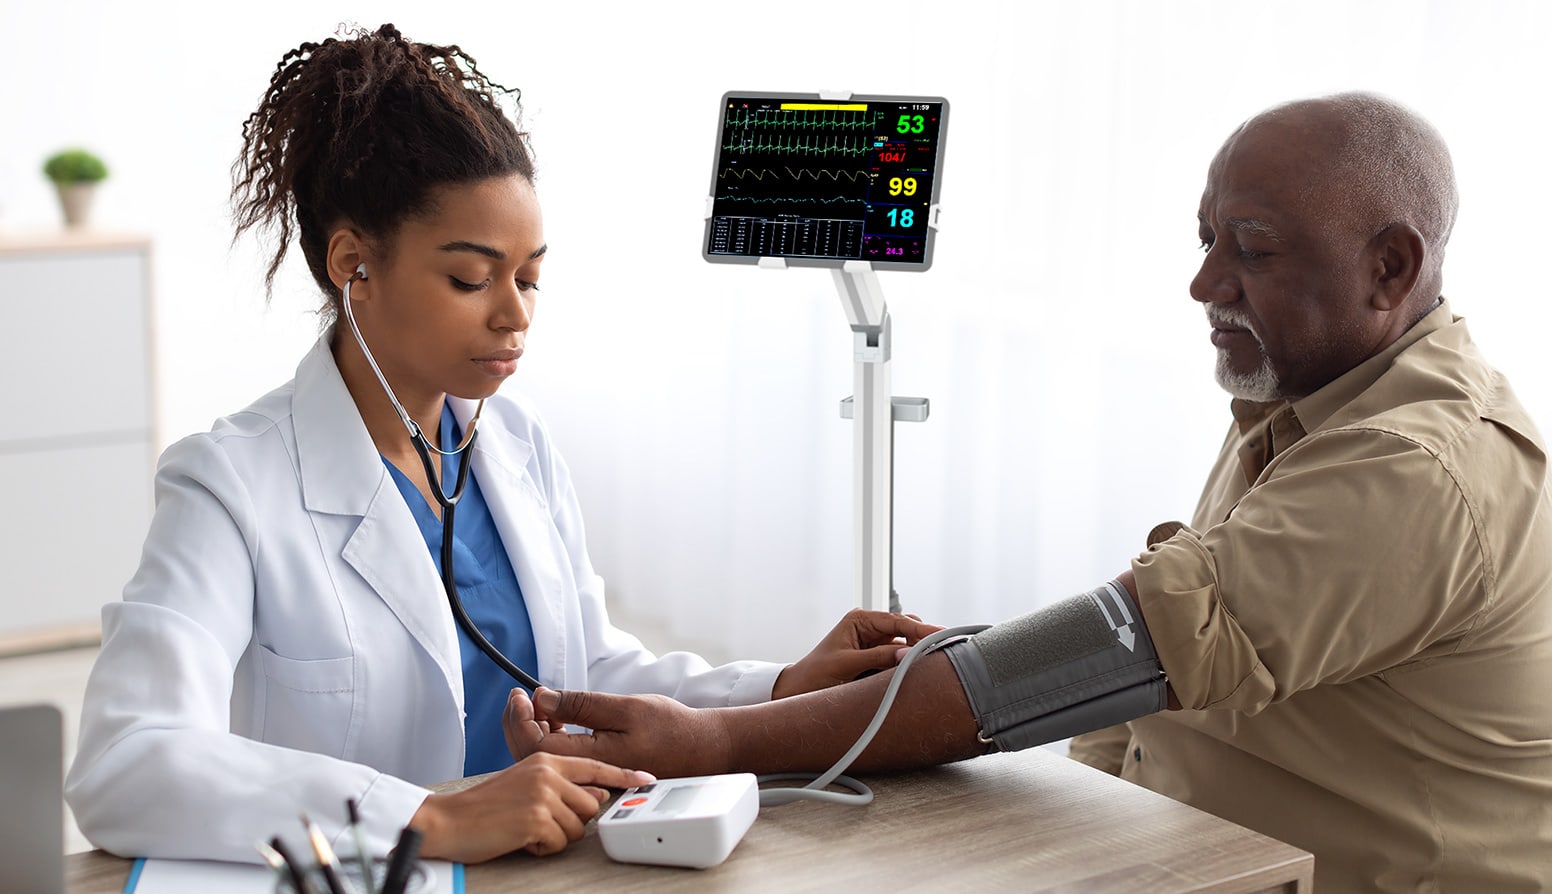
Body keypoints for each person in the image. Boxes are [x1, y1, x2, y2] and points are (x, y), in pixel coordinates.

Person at [503, 92, 1552, 892]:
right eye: (1204, 239)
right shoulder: (1310, 401)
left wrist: (718, 738)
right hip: (1206, 848)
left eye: (1254, 249)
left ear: (1390, 267)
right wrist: (962, 681)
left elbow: (1121, 647)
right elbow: (1146, 680)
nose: (1205, 284)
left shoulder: (1413, 468)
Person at [63, 23, 936, 865]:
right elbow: (125, 762)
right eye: (471, 277)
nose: (514, 314)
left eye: (529, 278)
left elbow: (586, 666)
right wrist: (430, 817)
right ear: (351, 264)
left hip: (558, 866)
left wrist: (779, 689)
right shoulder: (230, 485)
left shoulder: (515, 443)